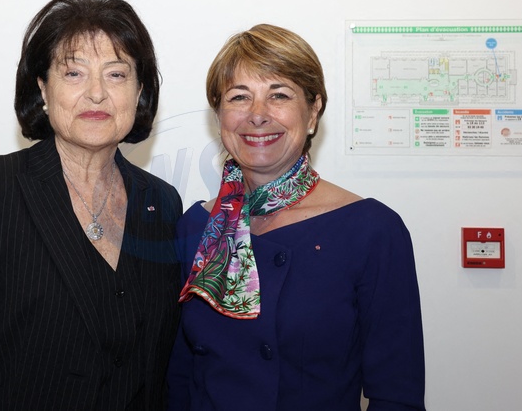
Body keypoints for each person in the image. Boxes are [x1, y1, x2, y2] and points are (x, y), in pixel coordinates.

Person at [0, 0, 183, 410]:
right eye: (74, 73)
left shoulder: (162, 203)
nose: (96, 94)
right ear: (42, 88)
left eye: (116, 74)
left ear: (139, 91)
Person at [167, 24, 425, 410]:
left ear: (313, 111)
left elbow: (396, 396)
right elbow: (179, 378)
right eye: (239, 97)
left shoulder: (371, 230)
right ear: (219, 114)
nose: (257, 115)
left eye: (279, 95)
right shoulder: (195, 226)